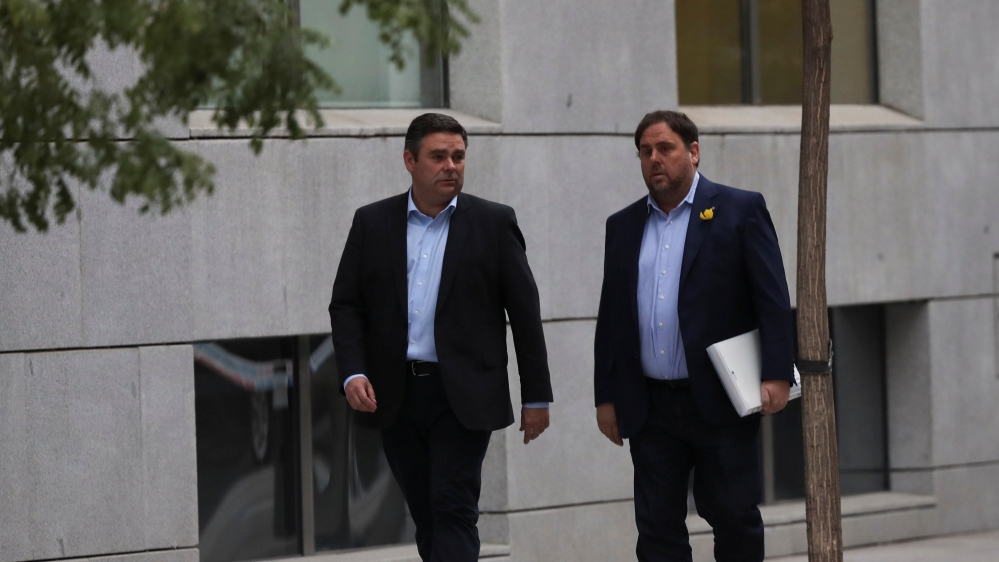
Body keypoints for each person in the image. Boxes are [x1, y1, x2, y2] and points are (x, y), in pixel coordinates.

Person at [329, 113, 553, 562]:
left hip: (464, 395)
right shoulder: (373, 222)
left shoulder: (493, 223)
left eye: (458, 156)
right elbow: (347, 305)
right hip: (396, 393)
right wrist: (353, 372)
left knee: (452, 507)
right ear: (410, 161)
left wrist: (536, 395)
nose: (451, 166)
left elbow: (525, 313)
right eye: (438, 157)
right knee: (427, 515)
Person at [593, 110, 794, 562]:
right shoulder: (622, 225)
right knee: (656, 527)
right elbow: (612, 317)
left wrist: (777, 372)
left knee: (733, 516)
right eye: (646, 151)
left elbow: (772, 299)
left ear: (694, 152)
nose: (654, 158)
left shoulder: (739, 210)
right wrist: (606, 395)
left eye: (665, 148)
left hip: (719, 399)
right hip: (650, 406)